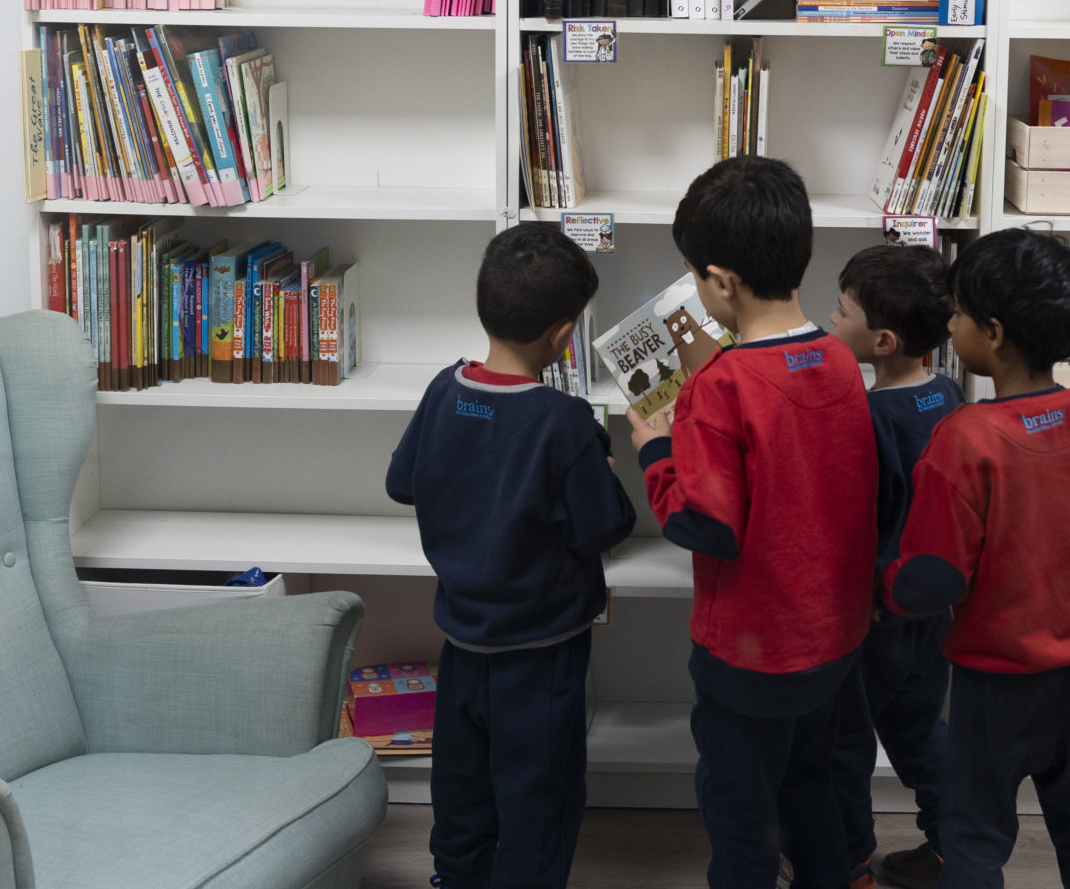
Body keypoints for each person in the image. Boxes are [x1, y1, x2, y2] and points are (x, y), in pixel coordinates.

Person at [627, 156, 880, 889]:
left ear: (721, 281)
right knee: (810, 790)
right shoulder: (837, 359)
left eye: (696, 278)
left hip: (749, 653)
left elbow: (706, 525)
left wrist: (656, 451)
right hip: (832, 638)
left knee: (739, 814)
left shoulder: (719, 383)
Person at [882, 229, 1070, 889]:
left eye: (959, 312)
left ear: (992, 333)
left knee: (975, 835)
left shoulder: (964, 437)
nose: (949, 323)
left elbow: (935, 575)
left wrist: (882, 584)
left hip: (997, 679)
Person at [386, 223, 637, 889]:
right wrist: (603, 465)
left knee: (461, 793)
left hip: (462, 644)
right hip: (542, 654)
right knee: (539, 799)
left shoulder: (444, 388)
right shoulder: (564, 421)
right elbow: (602, 525)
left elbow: (401, 481)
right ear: (562, 334)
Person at [827, 245, 963, 889]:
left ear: (881, 341)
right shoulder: (949, 394)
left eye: (842, 309)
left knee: (844, 741)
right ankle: (950, 842)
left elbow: (852, 520)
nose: (832, 316)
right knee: (918, 729)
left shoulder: (870, 418)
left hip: (873, 613)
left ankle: (851, 863)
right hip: (932, 603)